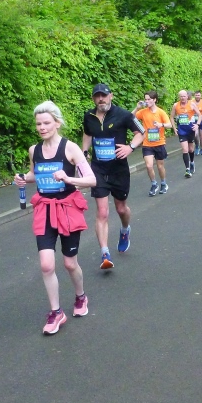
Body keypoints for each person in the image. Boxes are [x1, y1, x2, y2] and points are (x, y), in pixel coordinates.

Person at [14, 101, 96, 335]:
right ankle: (56, 312)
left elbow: (91, 180)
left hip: (68, 209)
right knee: (46, 265)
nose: (42, 127)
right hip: (44, 210)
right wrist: (23, 178)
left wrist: (68, 179)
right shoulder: (34, 150)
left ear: (57, 123)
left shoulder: (70, 148)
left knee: (70, 263)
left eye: (46, 123)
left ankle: (80, 296)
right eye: (38, 124)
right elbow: (35, 174)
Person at [82, 83, 145, 270]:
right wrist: (83, 153)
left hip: (118, 170)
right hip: (98, 169)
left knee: (121, 208)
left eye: (104, 95)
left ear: (111, 96)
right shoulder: (89, 116)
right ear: (93, 98)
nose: (101, 99)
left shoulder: (124, 115)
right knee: (102, 212)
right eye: (97, 96)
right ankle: (105, 253)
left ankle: (125, 230)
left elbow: (141, 133)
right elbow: (87, 134)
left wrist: (130, 147)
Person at [133, 90, 171, 195]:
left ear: (154, 100)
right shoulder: (143, 112)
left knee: (160, 166)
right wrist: (137, 108)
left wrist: (161, 125)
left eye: (149, 99)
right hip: (147, 144)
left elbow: (169, 125)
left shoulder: (161, 112)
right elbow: (130, 117)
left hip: (159, 143)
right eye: (145, 99)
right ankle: (154, 184)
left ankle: (163, 183)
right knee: (149, 166)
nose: (146, 101)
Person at [170, 90, 200, 177]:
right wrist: (174, 128)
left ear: (187, 96)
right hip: (181, 131)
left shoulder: (192, 104)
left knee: (191, 149)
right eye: (181, 96)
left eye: (184, 96)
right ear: (179, 97)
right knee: (185, 149)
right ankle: (187, 169)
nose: (182, 98)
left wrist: (197, 125)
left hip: (191, 130)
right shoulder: (176, 105)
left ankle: (192, 162)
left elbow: (200, 115)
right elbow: (171, 117)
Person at [193, 90, 202, 155]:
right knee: (195, 135)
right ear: (194, 96)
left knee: (201, 135)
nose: (197, 96)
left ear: (201, 96)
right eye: (196, 95)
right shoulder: (191, 102)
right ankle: (197, 146)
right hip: (194, 120)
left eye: (198, 95)